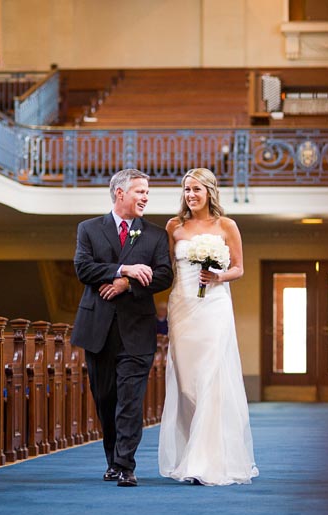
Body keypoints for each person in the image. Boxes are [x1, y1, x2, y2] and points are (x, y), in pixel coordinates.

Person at [71, 168, 173, 487]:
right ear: (120, 193)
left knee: (130, 400)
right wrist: (123, 268)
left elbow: (164, 275)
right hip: (98, 328)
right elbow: (83, 268)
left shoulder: (155, 235)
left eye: (147, 193)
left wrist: (126, 285)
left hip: (137, 329)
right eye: (140, 191)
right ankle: (112, 459)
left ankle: (125, 464)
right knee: (105, 399)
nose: (145, 197)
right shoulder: (88, 229)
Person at [158, 167, 259, 486]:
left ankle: (206, 461)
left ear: (209, 192)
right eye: (187, 189)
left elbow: (239, 268)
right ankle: (190, 449)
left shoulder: (226, 225)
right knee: (187, 383)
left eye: (196, 189)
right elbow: (166, 268)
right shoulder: (174, 226)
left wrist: (218, 276)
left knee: (211, 378)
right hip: (183, 305)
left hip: (214, 305)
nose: (190, 195)